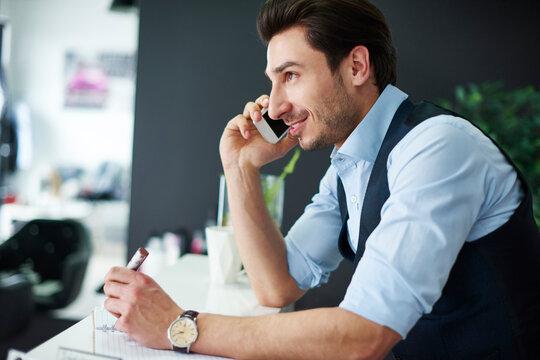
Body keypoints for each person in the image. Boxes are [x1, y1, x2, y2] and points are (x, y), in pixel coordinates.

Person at [103, 0, 540, 359]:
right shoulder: (349, 166)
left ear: (356, 67)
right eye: (273, 82)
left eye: (290, 76)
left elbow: (365, 334)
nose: (273, 107)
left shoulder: (437, 148)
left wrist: (180, 327)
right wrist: (240, 167)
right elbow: (276, 285)